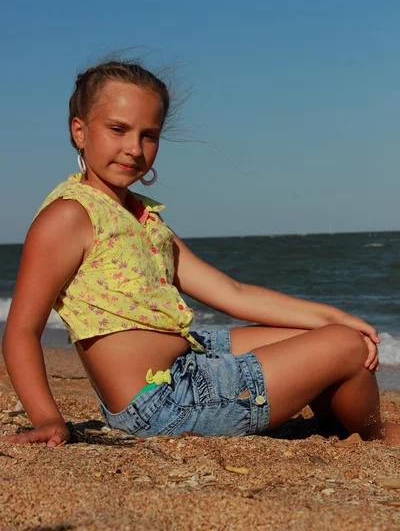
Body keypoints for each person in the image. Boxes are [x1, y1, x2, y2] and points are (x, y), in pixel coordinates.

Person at [2, 59, 399, 447]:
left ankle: (337, 426)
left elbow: (232, 294)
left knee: (331, 334)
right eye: (118, 130)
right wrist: (48, 418)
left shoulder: (142, 217)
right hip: (164, 401)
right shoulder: (70, 215)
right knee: (346, 347)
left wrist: (333, 316)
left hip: (193, 359)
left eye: (148, 135)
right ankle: (374, 436)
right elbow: (21, 330)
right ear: (80, 131)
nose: (134, 149)